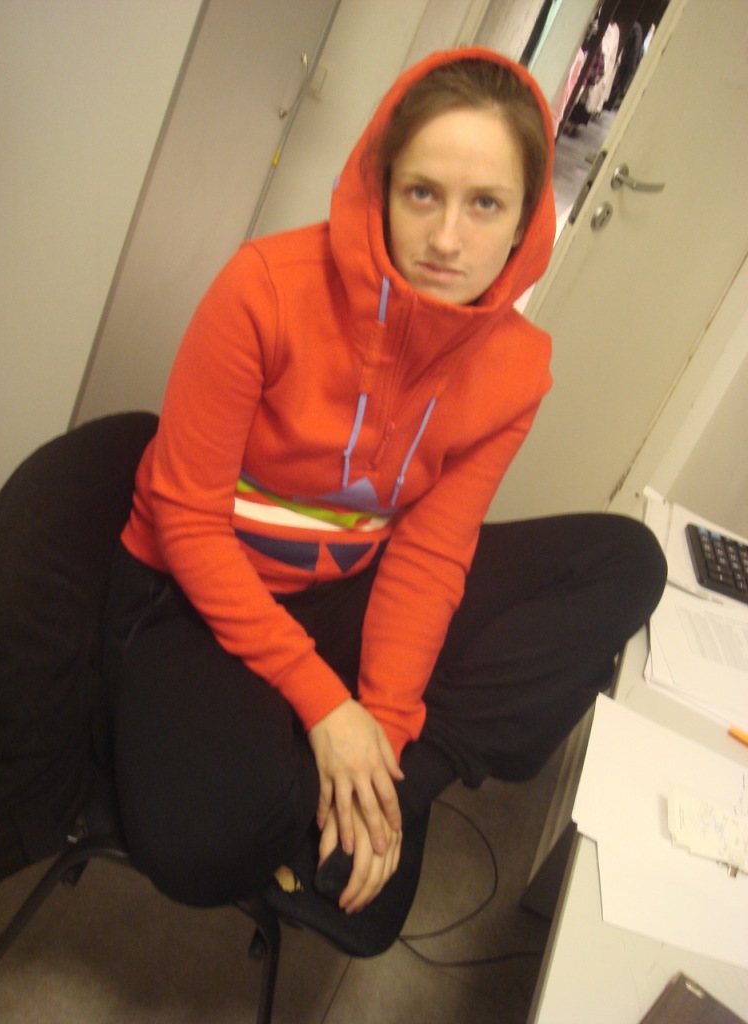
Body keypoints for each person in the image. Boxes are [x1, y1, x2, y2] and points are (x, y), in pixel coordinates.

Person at [103, 48, 666, 921]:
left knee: (625, 561)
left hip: (343, 585)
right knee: (204, 847)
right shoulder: (264, 288)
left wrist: (389, 732)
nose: (448, 239)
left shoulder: (517, 369)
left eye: (485, 204)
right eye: (423, 194)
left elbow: (430, 556)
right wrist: (325, 701)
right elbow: (186, 521)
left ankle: (388, 786)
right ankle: (313, 761)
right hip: (199, 592)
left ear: (527, 221)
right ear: (381, 186)